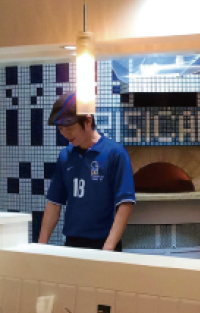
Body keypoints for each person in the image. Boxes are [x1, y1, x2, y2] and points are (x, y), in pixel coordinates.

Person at [38, 92, 135, 251]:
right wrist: (40, 247)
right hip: (72, 243)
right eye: (61, 128)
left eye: (70, 128)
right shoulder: (65, 156)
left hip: (104, 243)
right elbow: (54, 203)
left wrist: (108, 248)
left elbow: (125, 204)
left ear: (88, 121)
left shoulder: (115, 153)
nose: (65, 134)